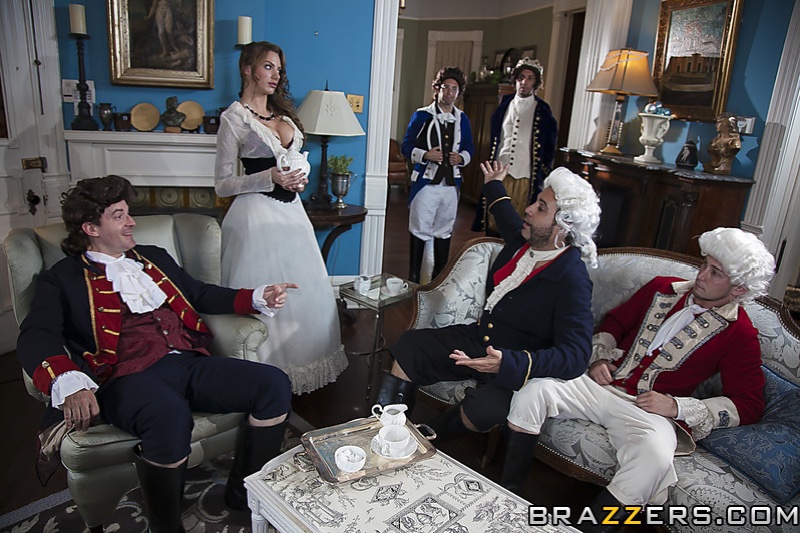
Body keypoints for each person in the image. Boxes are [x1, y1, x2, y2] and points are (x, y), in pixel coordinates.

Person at [16, 175, 296, 531]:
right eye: (119, 216)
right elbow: (37, 334)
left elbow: (199, 293)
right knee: (168, 417)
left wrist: (256, 296)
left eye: (128, 213)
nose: (131, 222)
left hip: (187, 362)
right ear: (91, 228)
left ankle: (244, 494)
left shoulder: (153, 257)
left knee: (273, 384)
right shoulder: (62, 278)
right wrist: (68, 381)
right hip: (127, 379)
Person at [503, 227, 775, 532]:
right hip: (598, 385)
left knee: (655, 457)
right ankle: (509, 496)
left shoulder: (741, 333)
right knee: (535, 389)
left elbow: (749, 403)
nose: (701, 276)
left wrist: (676, 407)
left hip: (648, 412)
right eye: (704, 265)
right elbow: (616, 322)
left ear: (738, 289)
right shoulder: (662, 287)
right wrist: (599, 358)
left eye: (715, 273)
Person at [374, 160, 601, 441]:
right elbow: (504, 212)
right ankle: (383, 432)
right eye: (535, 202)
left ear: (563, 227)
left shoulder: (572, 278)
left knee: (485, 408)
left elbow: (576, 356)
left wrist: (509, 363)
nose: (529, 209)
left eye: (541, 208)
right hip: (480, 340)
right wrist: (493, 183)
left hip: (516, 365)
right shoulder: (524, 240)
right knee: (411, 345)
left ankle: (423, 441)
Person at [215, 41, 347, 394]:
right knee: (265, 291)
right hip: (255, 218)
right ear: (248, 69)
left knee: (305, 290)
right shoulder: (234, 119)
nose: (276, 75)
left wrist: (298, 179)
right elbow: (222, 184)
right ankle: (263, 375)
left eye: (279, 69)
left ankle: (303, 362)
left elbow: (293, 162)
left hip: (292, 214)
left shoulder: (283, 116)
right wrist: (269, 177)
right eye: (268, 66)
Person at [401, 66, 474, 283]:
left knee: (444, 230)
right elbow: (406, 145)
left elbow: (469, 148)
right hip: (426, 184)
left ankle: (439, 278)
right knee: (419, 228)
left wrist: (461, 158)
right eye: (445, 87)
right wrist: (425, 155)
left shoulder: (462, 119)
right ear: (437, 89)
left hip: (450, 185)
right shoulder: (422, 115)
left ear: (458, 93)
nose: (449, 92)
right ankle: (414, 278)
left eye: (454, 89)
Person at [472, 58, 557, 236]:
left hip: (525, 176)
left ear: (536, 83)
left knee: (517, 222)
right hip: (500, 172)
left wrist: (543, 172)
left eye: (530, 78)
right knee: (494, 219)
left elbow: (549, 147)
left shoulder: (543, 110)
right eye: (521, 77)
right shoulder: (504, 105)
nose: (524, 82)